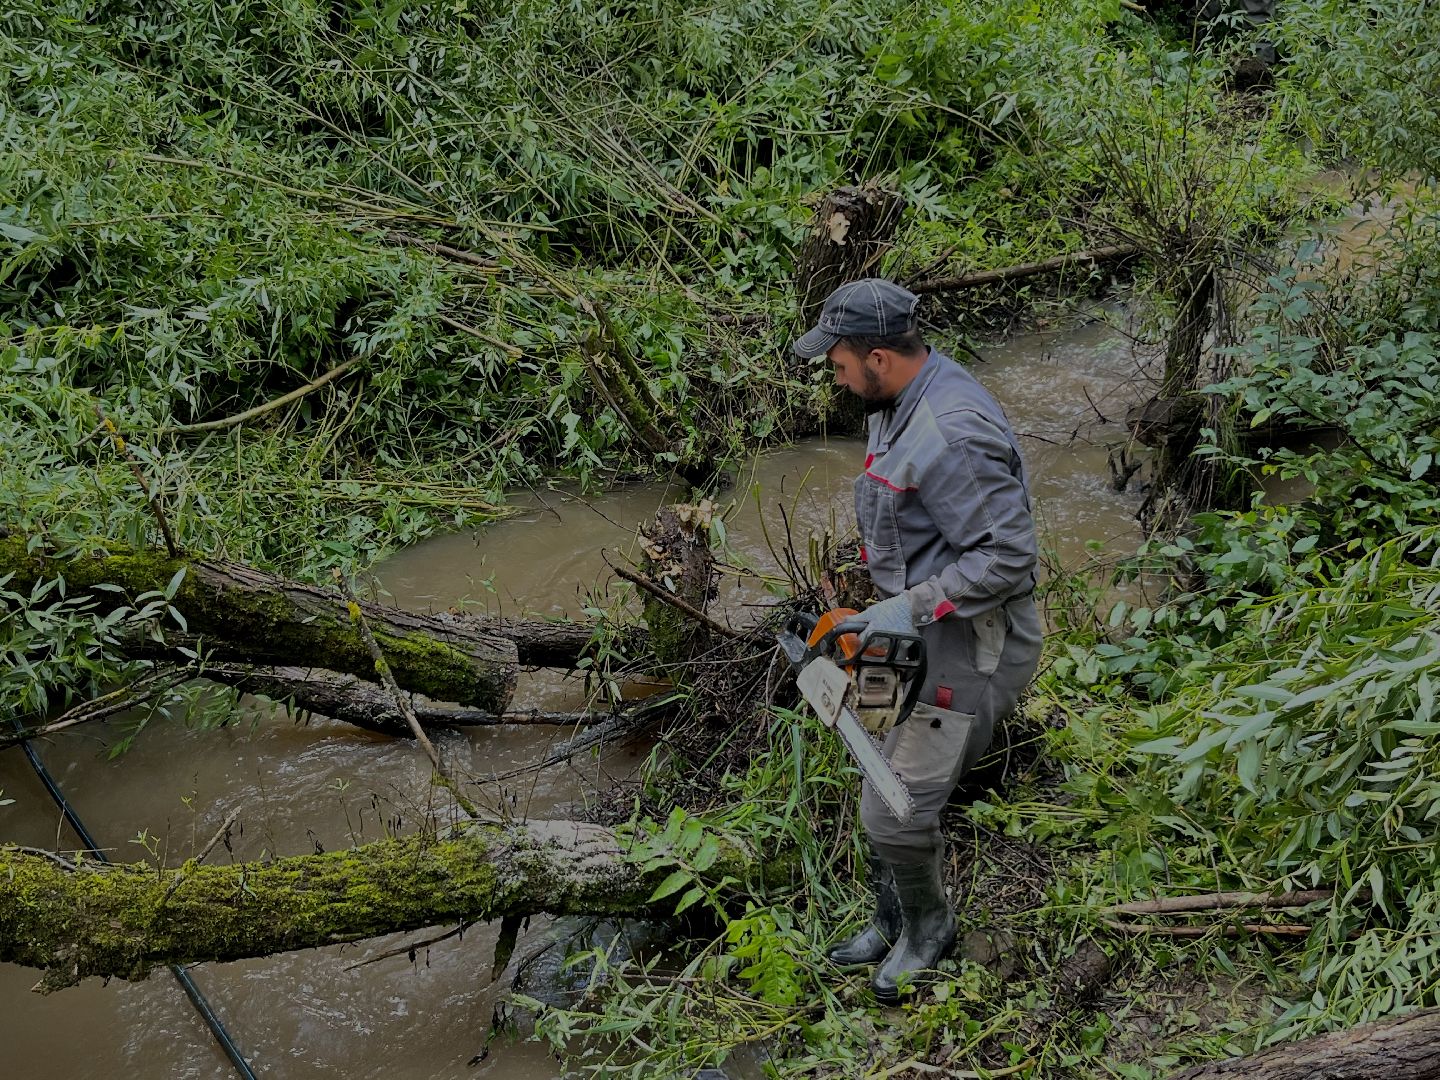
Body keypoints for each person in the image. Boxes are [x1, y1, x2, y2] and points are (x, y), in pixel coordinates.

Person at [792, 278, 1043, 1002]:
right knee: (872, 756)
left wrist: (907, 607)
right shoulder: (893, 399)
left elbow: (1007, 558)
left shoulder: (951, 432)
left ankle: (931, 930)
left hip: (971, 641)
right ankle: (890, 918)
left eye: (838, 361)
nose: (834, 375)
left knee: (894, 806)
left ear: (878, 357)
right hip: (912, 627)